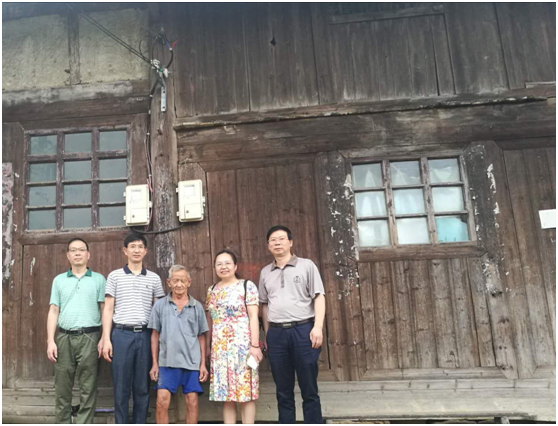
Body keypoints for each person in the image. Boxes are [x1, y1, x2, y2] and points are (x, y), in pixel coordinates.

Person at [259, 225, 326, 424]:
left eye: (281, 239)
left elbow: (319, 296)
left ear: (290, 242)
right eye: (273, 240)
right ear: (268, 245)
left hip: (303, 330)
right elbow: (264, 305)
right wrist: (268, 334)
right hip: (277, 334)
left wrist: (318, 327)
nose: (277, 243)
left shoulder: (306, 266)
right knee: (283, 390)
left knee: (309, 388)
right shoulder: (265, 272)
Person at [101, 233, 165, 424]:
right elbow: (108, 309)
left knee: (142, 387)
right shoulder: (115, 276)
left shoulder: (154, 278)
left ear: (145, 251)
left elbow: (159, 311)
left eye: (140, 247)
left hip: (145, 335)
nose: (136, 250)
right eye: (132, 246)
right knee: (121, 387)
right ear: (125, 251)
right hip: (121, 334)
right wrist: (106, 339)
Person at [46, 238, 106, 424]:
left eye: (81, 250)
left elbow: (104, 309)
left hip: (90, 337)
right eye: (73, 250)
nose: (77, 253)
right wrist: (50, 340)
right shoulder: (59, 280)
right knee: (62, 386)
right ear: (68, 255)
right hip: (64, 337)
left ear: (88, 254)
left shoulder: (98, 279)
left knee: (88, 386)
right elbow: (53, 310)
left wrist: (105, 337)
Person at [206, 250, 263, 424]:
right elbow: (211, 320)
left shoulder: (246, 286)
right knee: (226, 395)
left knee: (246, 393)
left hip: (243, 347)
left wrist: (255, 346)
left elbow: (253, 317)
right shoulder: (212, 290)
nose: (223, 267)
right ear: (215, 267)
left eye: (227, 263)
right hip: (220, 349)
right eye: (219, 264)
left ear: (235, 266)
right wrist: (208, 347)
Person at [148, 265, 209, 424]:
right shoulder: (160, 305)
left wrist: (203, 364)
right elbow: (155, 335)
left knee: (192, 402)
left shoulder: (197, 307)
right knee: (161, 402)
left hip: (191, 362)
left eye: (183, 280)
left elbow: (201, 336)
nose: (179, 284)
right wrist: (154, 363)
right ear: (169, 282)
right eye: (175, 281)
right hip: (167, 361)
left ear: (189, 282)